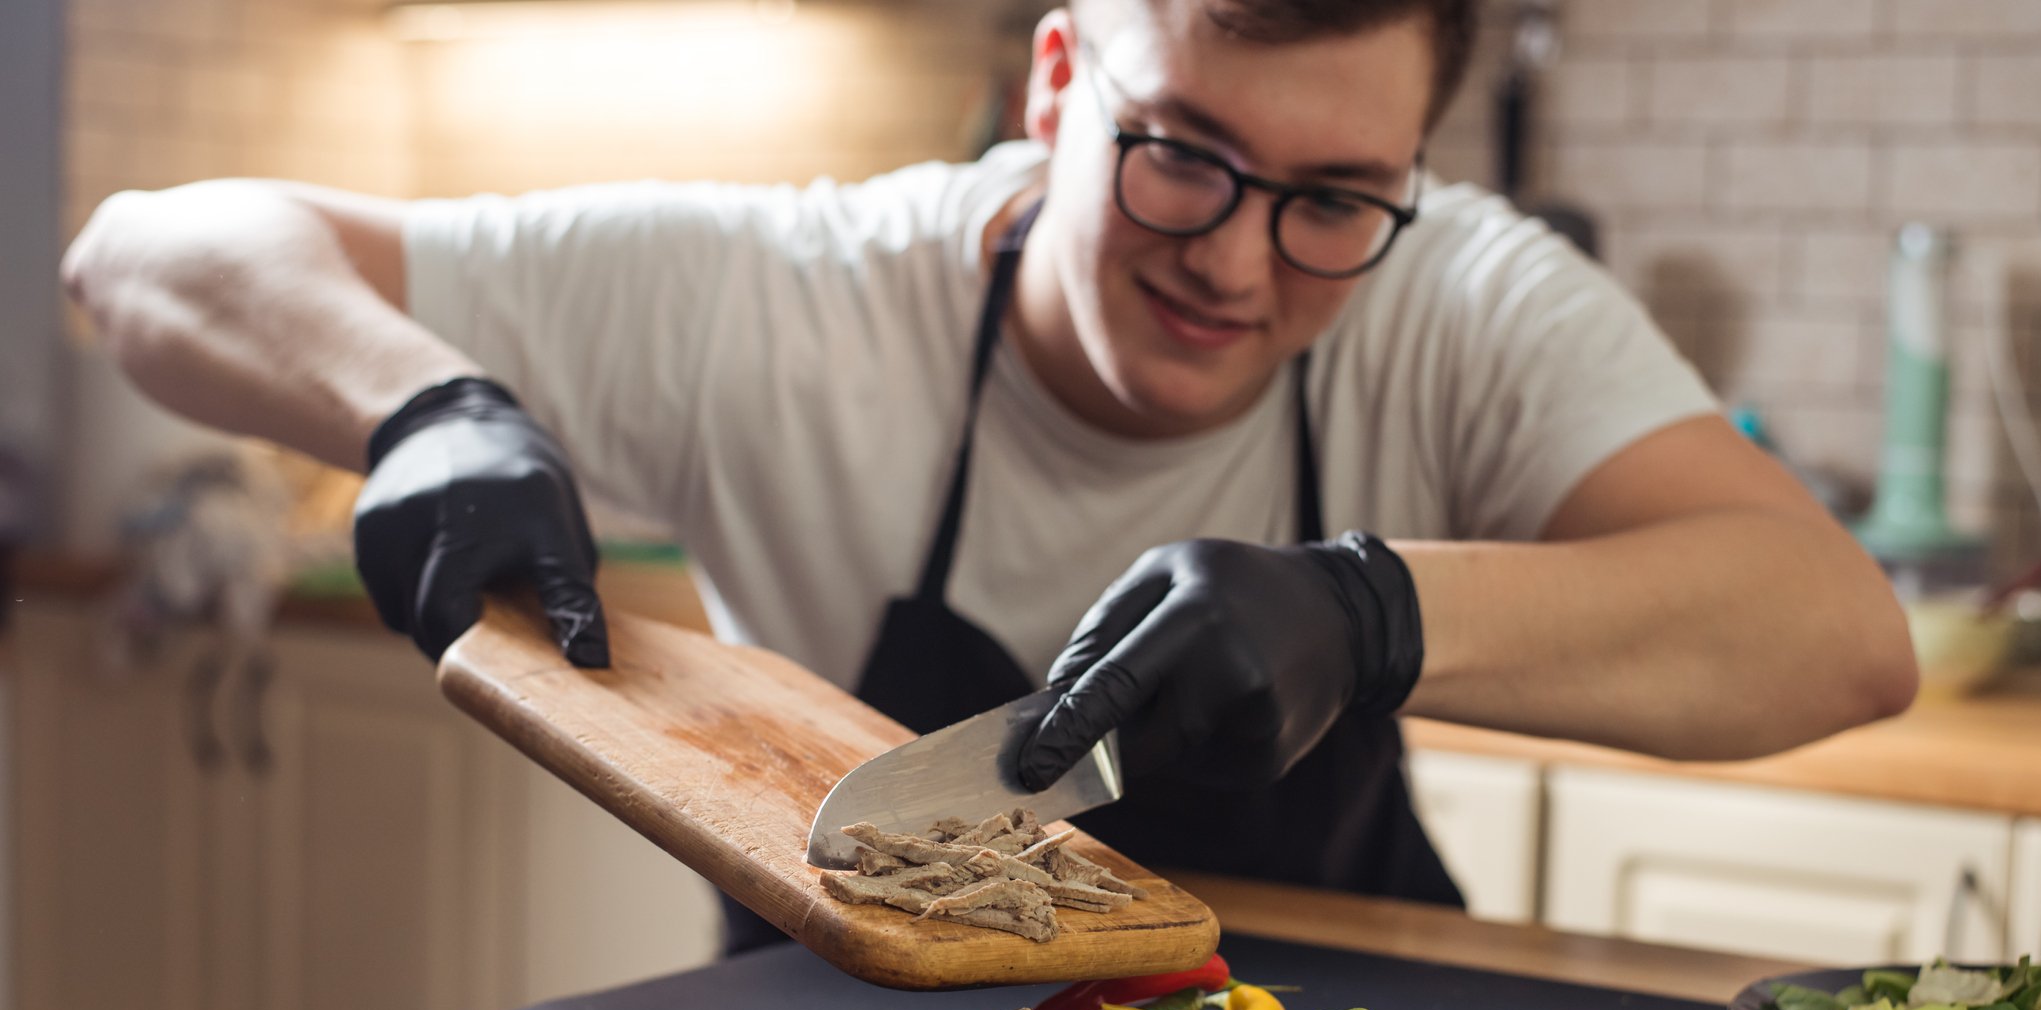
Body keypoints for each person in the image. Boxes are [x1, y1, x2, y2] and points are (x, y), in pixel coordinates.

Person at [62, 0, 1917, 954]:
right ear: (1055, 85)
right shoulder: (780, 296)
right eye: (1178, 153)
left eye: (1337, 198)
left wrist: (1377, 606)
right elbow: (148, 256)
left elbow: (1840, 638)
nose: (1243, 263)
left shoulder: (1464, 294)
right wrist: (427, 402)